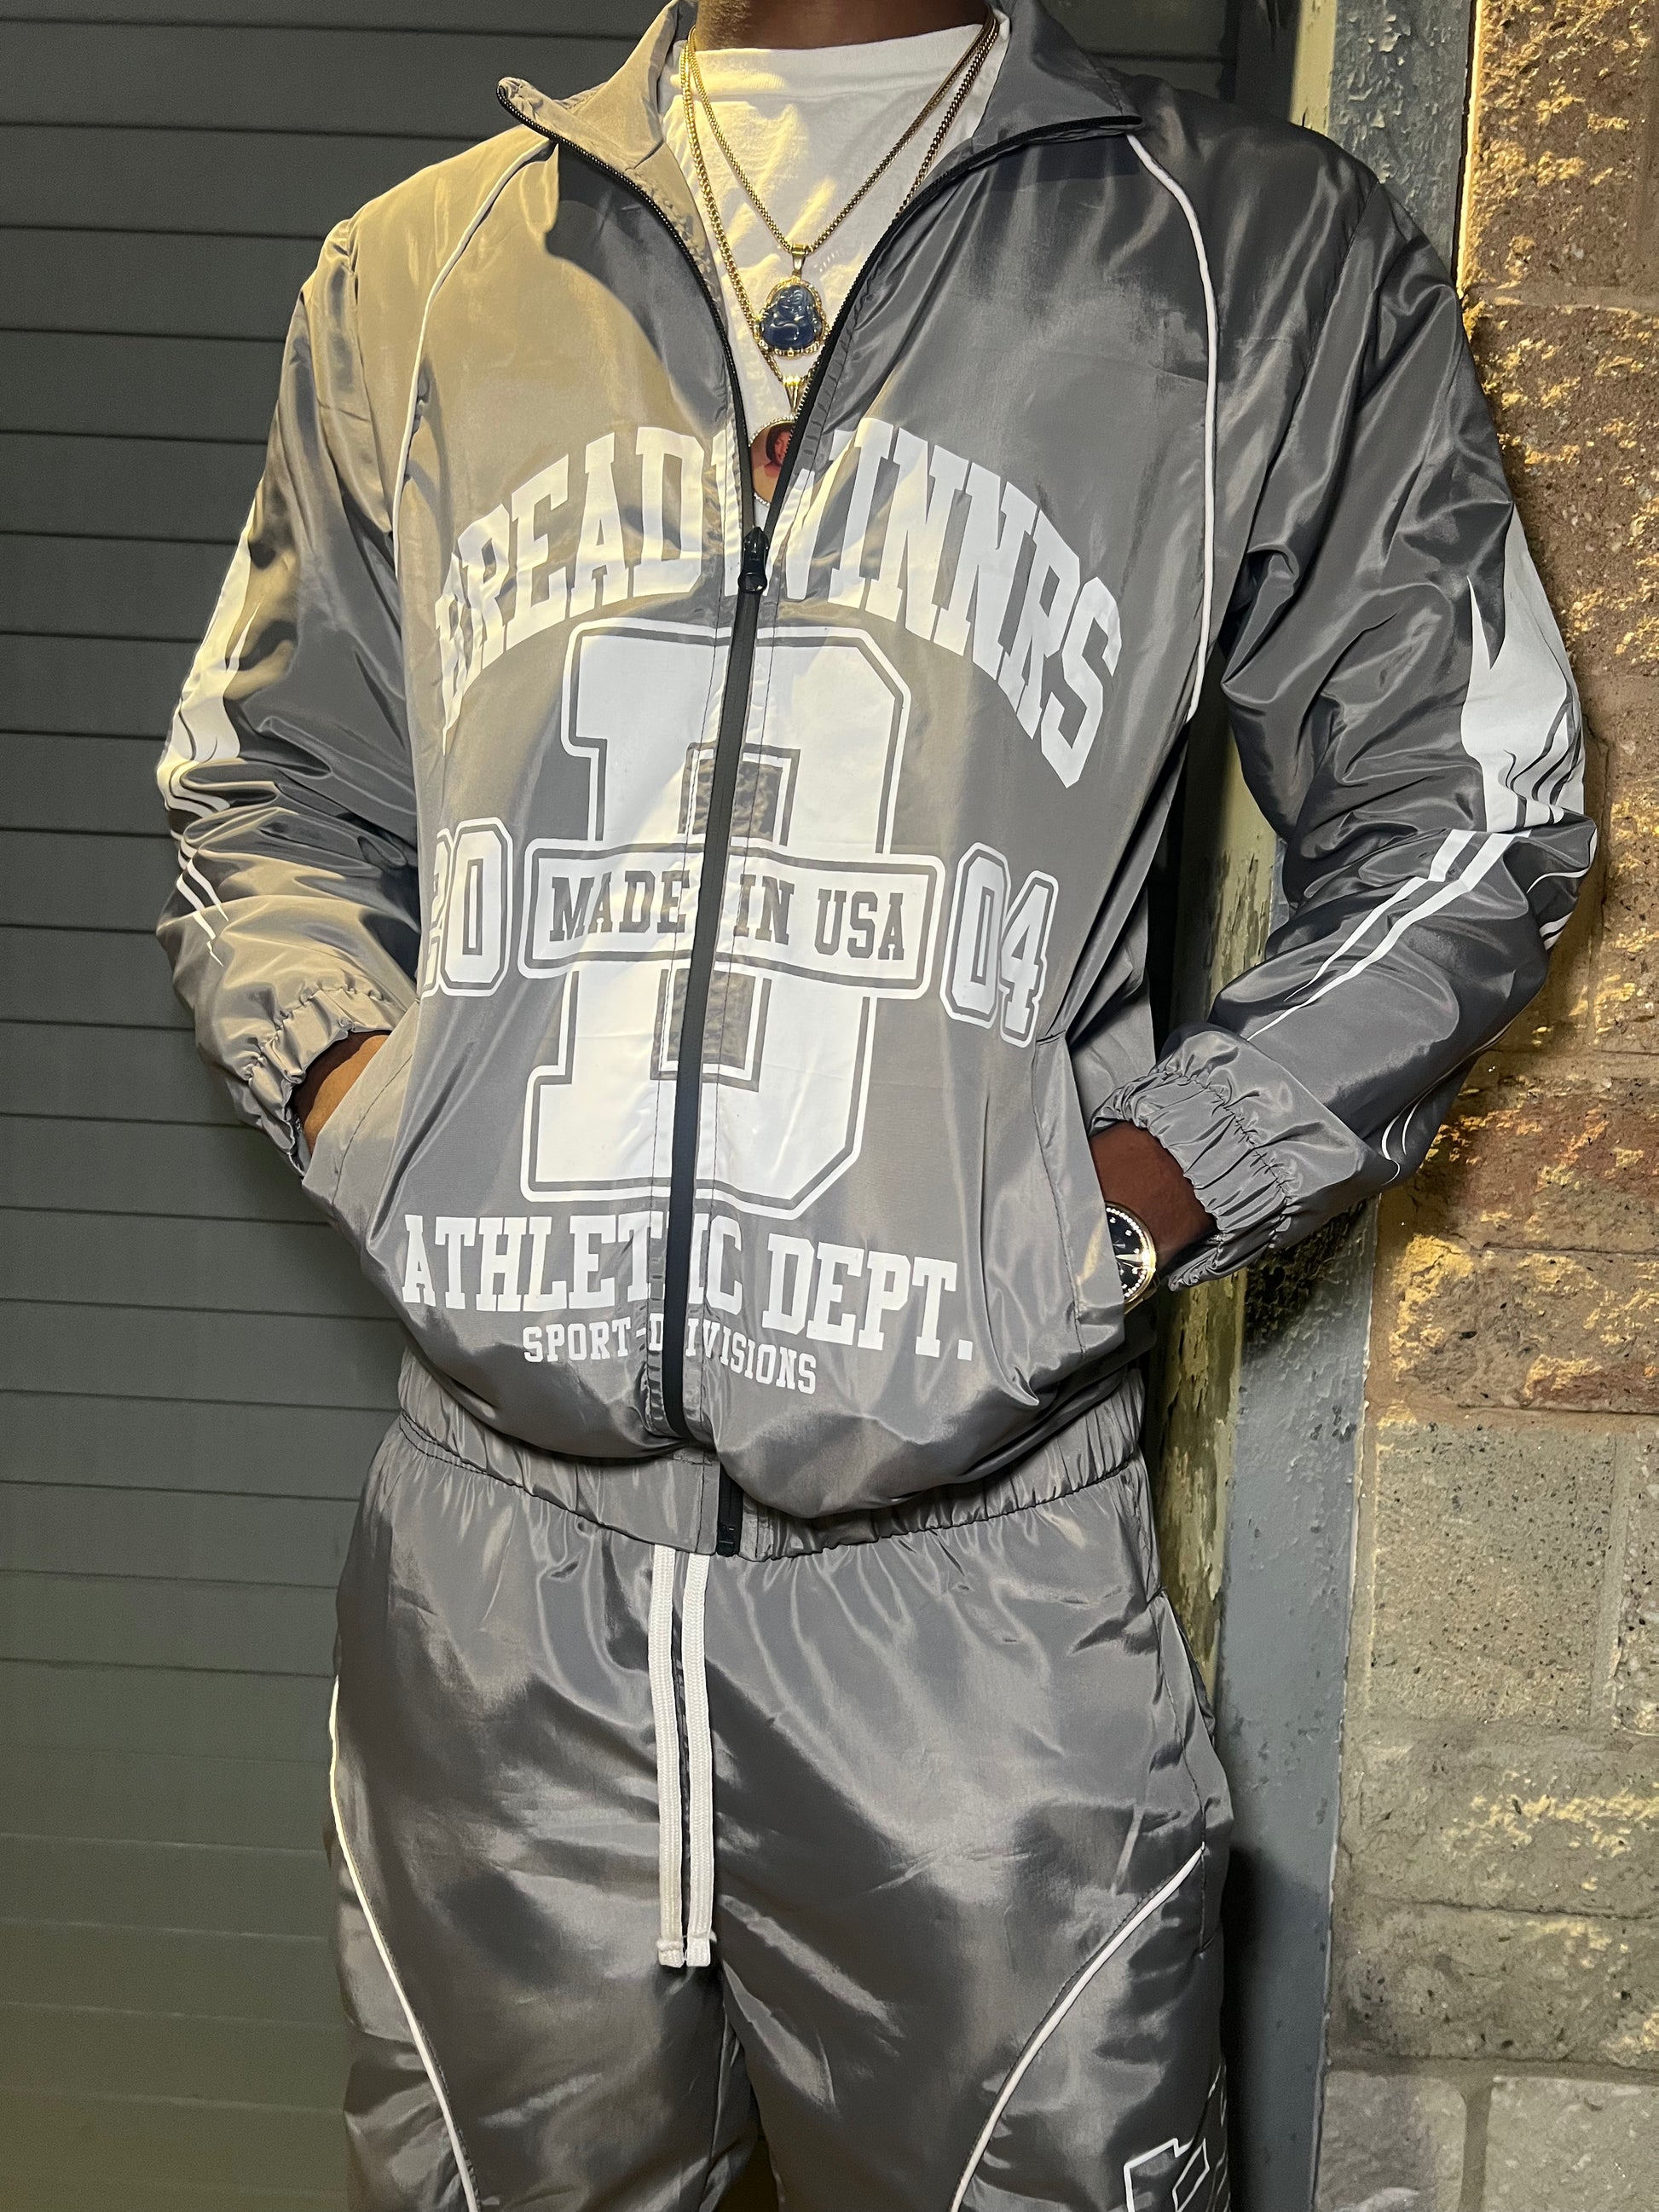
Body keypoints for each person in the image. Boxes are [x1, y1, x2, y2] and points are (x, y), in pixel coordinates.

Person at [154, 0, 1591, 2203]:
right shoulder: (421, 271)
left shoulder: (1246, 258)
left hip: (972, 1628)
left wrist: (1124, 1193)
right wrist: (371, 1101)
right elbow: (262, 790)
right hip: (489, 1610)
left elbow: (1475, 811)